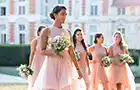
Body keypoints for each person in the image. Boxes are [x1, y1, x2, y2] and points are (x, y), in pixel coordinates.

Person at [33, 5, 82, 90]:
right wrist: (55, 52)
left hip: (66, 65)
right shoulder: (47, 31)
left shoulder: (67, 32)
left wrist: (78, 69)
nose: (65, 16)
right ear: (55, 15)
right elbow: (42, 51)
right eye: (62, 14)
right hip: (52, 65)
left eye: (66, 14)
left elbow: (71, 52)